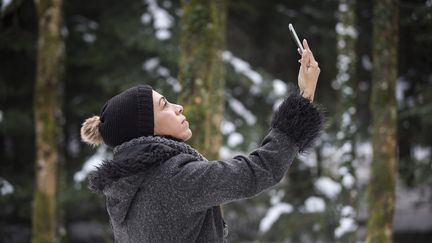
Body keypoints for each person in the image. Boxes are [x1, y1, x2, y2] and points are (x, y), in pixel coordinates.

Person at [80, 39, 324, 243]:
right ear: (146, 128)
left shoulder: (126, 188)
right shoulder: (173, 179)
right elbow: (259, 170)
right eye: (164, 105)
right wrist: (304, 96)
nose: (178, 107)